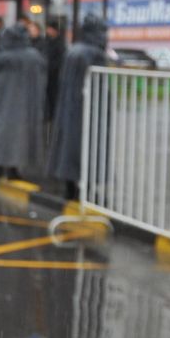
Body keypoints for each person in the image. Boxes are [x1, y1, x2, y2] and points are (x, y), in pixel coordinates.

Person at [47, 15, 109, 202]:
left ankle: (70, 187)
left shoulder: (74, 51)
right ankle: (85, 189)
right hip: (88, 108)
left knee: (70, 145)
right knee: (88, 146)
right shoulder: (93, 53)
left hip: (70, 107)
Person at [0, 24, 48, 181]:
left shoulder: (4, 57)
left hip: (4, 104)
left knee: (0, 133)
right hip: (25, 105)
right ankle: (14, 169)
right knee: (20, 137)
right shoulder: (34, 56)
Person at [38, 17, 65, 118]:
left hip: (55, 75)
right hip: (46, 74)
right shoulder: (46, 41)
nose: (48, 31)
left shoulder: (59, 43)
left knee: (54, 97)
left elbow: (59, 60)